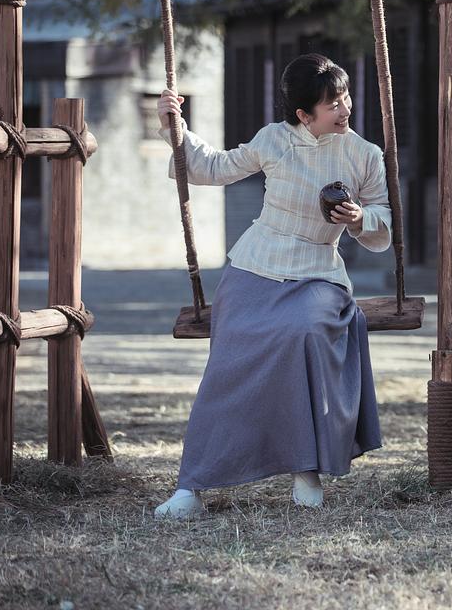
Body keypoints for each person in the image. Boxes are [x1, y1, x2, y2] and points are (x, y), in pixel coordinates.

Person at [154, 53, 389, 518]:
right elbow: (214, 167)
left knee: (304, 332)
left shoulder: (365, 154)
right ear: (304, 114)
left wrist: (360, 218)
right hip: (255, 263)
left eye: (345, 98)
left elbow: (384, 215)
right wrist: (174, 127)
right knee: (230, 357)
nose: (344, 109)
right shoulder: (274, 140)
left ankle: (306, 469)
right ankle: (193, 485)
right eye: (332, 104)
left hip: (319, 270)